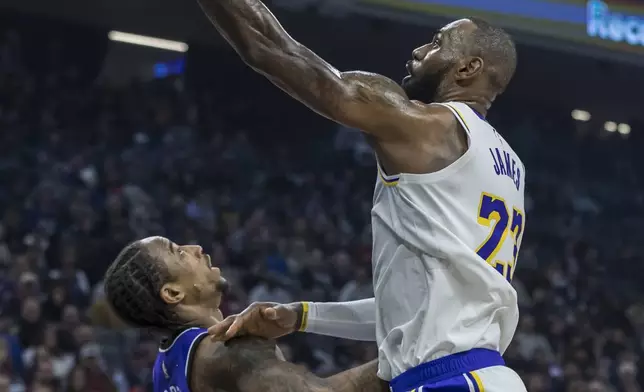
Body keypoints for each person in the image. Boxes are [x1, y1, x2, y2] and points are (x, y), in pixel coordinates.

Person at [196, 0, 527, 390]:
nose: (419, 51)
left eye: (437, 43)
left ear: (468, 68)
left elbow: (271, 50)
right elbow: (414, 308)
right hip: (477, 373)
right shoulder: (510, 163)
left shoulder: (427, 127)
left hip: (456, 379)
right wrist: (300, 315)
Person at [103, 236, 389, 392]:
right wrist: (414, 351)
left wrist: (398, 359)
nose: (196, 248)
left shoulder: (168, 367)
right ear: (173, 293)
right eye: (179, 253)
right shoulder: (229, 348)